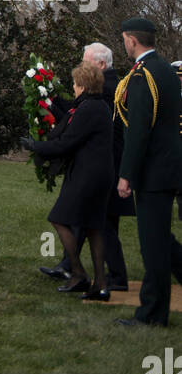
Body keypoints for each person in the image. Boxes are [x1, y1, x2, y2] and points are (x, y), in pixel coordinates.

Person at [38, 42, 132, 289]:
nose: (82, 66)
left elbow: (79, 121)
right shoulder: (100, 91)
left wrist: (41, 145)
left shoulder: (108, 90)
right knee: (89, 221)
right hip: (100, 164)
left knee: (101, 223)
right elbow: (75, 113)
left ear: (101, 65)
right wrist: (52, 100)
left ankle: (112, 277)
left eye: (86, 62)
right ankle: (72, 267)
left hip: (103, 163)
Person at [22, 61, 115, 299]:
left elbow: (67, 142)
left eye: (75, 84)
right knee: (94, 227)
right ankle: (100, 285)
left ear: (83, 86)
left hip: (87, 175)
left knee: (59, 218)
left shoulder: (88, 109)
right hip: (100, 174)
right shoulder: (98, 106)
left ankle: (78, 272)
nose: (73, 88)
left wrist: (37, 146)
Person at [113, 18, 182, 329]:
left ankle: (152, 315)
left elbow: (139, 131)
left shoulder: (143, 76)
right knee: (161, 239)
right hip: (169, 167)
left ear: (131, 41)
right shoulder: (166, 70)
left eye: (125, 40)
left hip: (154, 171)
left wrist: (126, 174)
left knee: (152, 246)